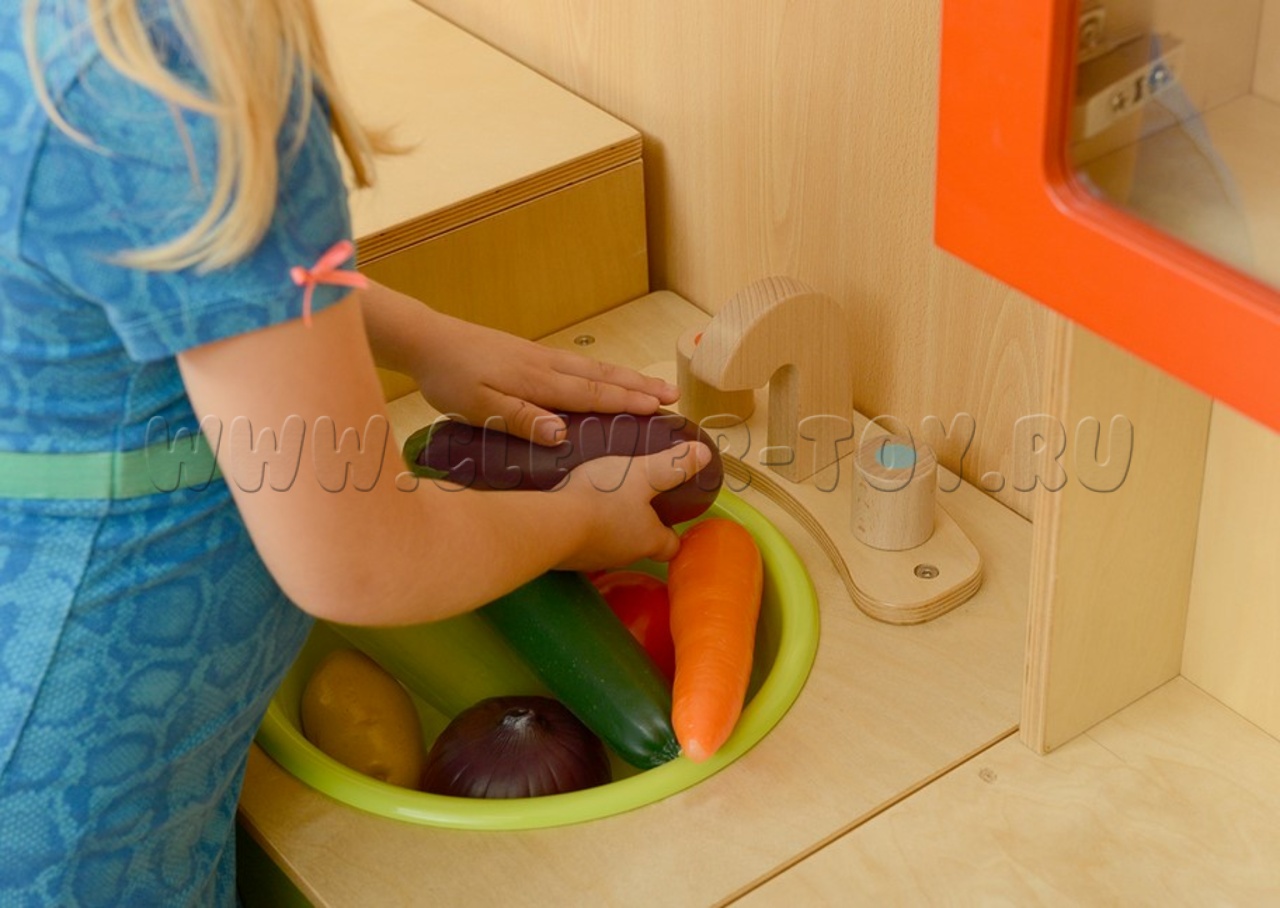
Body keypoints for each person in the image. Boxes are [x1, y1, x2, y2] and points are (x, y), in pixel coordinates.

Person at [0, 1, 710, 904]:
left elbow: (168, 261)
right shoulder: (181, 79)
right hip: (74, 796)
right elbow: (365, 559)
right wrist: (577, 520)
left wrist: (418, 335)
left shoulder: (70, 38)